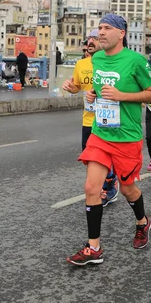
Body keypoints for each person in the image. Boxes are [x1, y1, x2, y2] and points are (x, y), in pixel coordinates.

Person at [67, 14, 151, 266]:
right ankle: (93, 248)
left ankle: (142, 222)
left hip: (127, 137)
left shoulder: (136, 61)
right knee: (91, 188)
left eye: (107, 28)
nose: (101, 32)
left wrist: (121, 95)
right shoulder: (96, 58)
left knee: (128, 189)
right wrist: (92, 94)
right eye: (99, 28)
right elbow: (96, 88)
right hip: (101, 133)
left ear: (122, 33)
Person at [62, 28, 119, 207]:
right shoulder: (81, 65)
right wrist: (71, 88)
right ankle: (108, 181)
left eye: (95, 38)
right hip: (88, 119)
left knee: (103, 158)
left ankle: (107, 187)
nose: (92, 42)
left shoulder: (113, 63)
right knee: (90, 159)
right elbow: (77, 86)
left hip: (109, 119)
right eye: (90, 39)